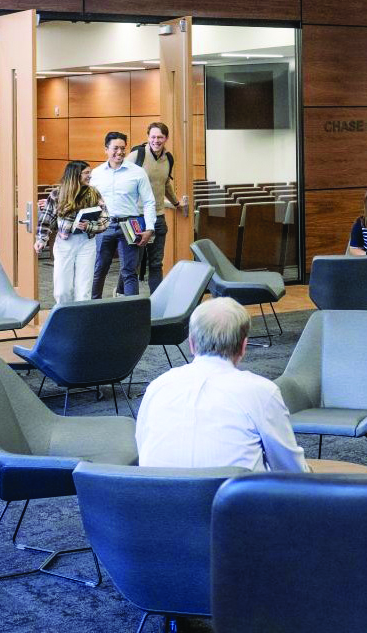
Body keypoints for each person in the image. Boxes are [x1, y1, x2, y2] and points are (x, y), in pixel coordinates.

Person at [134, 297, 309, 472]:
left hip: (156, 495)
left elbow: (143, 448)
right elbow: (291, 471)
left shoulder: (158, 386)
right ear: (243, 346)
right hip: (228, 497)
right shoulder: (261, 392)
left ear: (192, 344)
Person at [89, 131, 156, 298]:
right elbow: (88, 202)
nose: (119, 152)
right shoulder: (96, 174)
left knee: (129, 271)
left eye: (122, 148)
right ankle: (93, 307)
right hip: (104, 226)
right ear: (106, 149)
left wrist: (149, 228)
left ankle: (131, 313)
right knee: (100, 269)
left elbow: (149, 202)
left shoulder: (137, 172)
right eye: (115, 148)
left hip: (129, 225)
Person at [34, 160, 108, 304]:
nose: (89, 176)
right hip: (64, 243)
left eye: (89, 172)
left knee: (84, 292)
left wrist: (90, 225)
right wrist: (41, 239)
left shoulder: (94, 193)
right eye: (86, 173)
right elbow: (47, 218)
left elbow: (105, 219)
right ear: (75, 175)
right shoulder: (57, 194)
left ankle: (81, 324)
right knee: (62, 291)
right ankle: (66, 320)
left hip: (87, 243)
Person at [125, 121, 187, 293]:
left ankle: (156, 300)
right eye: (153, 136)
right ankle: (124, 295)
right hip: (136, 216)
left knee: (156, 263)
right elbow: (122, 177)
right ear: (148, 137)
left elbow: (165, 184)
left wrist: (176, 203)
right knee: (133, 262)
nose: (156, 140)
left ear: (166, 138)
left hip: (158, 216)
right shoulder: (137, 154)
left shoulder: (169, 158)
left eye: (160, 137)